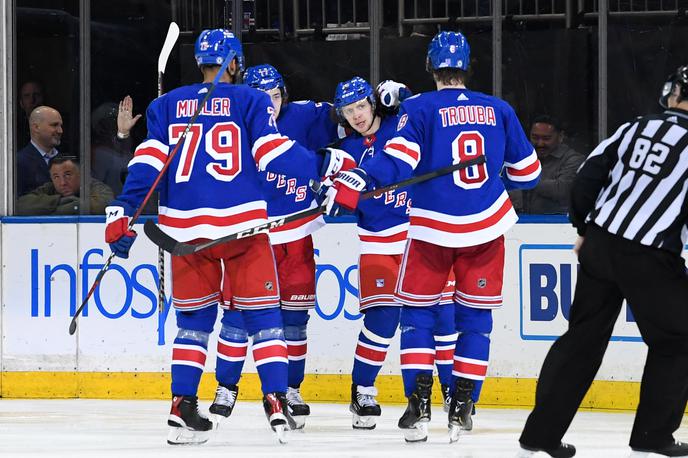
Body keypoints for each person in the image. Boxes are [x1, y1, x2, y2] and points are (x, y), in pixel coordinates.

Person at [103, 29, 348, 445]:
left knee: (193, 326)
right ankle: (275, 401)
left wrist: (123, 213)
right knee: (265, 319)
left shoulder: (165, 105)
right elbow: (273, 153)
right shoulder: (249, 100)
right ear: (234, 63)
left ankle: (182, 407)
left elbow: (148, 164)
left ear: (201, 63)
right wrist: (324, 164)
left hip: (184, 236)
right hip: (241, 230)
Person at [323, 31, 541, 442]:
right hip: (486, 227)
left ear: (431, 68)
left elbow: (398, 163)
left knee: (418, 318)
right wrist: (491, 182)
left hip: (430, 231)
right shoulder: (499, 109)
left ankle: (418, 407)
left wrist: (361, 177)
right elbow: (529, 174)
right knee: (475, 323)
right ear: (467, 67)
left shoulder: (419, 107)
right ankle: (462, 408)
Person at [518, 65, 688, 458]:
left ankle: (539, 435)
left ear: (672, 92)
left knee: (580, 341)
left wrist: (585, 229)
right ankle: (652, 436)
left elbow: (586, 179)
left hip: (600, 245)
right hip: (650, 255)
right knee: (678, 340)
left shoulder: (635, 127)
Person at [208, 63, 343, 430]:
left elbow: (353, 117)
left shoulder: (305, 115)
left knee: (295, 320)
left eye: (275, 94)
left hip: (297, 235)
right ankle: (226, 387)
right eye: (262, 97)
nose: (270, 102)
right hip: (251, 238)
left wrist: (386, 104)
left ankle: (291, 389)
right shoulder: (233, 124)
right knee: (236, 317)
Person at [328, 76, 457, 430]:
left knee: (444, 319)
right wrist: (334, 195)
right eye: (348, 110)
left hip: (421, 241)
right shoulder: (348, 151)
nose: (356, 115)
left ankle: (450, 391)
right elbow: (337, 199)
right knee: (382, 321)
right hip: (378, 245)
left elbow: (433, 118)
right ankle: (362, 391)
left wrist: (408, 97)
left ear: (373, 103)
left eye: (361, 106)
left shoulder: (403, 127)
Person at [512, 115, 584, 214]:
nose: (540, 143)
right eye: (535, 137)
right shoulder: (522, 157)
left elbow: (562, 189)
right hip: (521, 222)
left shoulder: (573, 159)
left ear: (560, 137)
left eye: (546, 138)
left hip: (558, 224)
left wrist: (524, 179)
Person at [16, 156, 113, 215]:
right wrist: (59, 201)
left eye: (67, 175)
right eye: (56, 177)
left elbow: (104, 205)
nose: (62, 183)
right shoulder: (50, 187)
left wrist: (50, 210)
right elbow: (20, 206)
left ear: (81, 175)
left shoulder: (94, 185)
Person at [91, 96, 142, 196]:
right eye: (110, 120)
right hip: (110, 206)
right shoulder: (98, 153)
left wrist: (123, 132)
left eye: (115, 119)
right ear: (100, 127)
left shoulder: (128, 152)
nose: (115, 123)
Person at [17, 105, 64, 197]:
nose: (60, 131)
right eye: (54, 125)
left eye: (61, 125)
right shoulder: (18, 162)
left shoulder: (67, 159)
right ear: (36, 127)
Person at [17, 80, 44, 146]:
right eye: (27, 96)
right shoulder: (14, 130)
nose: (32, 100)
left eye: (36, 95)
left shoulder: (56, 128)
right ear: (21, 103)